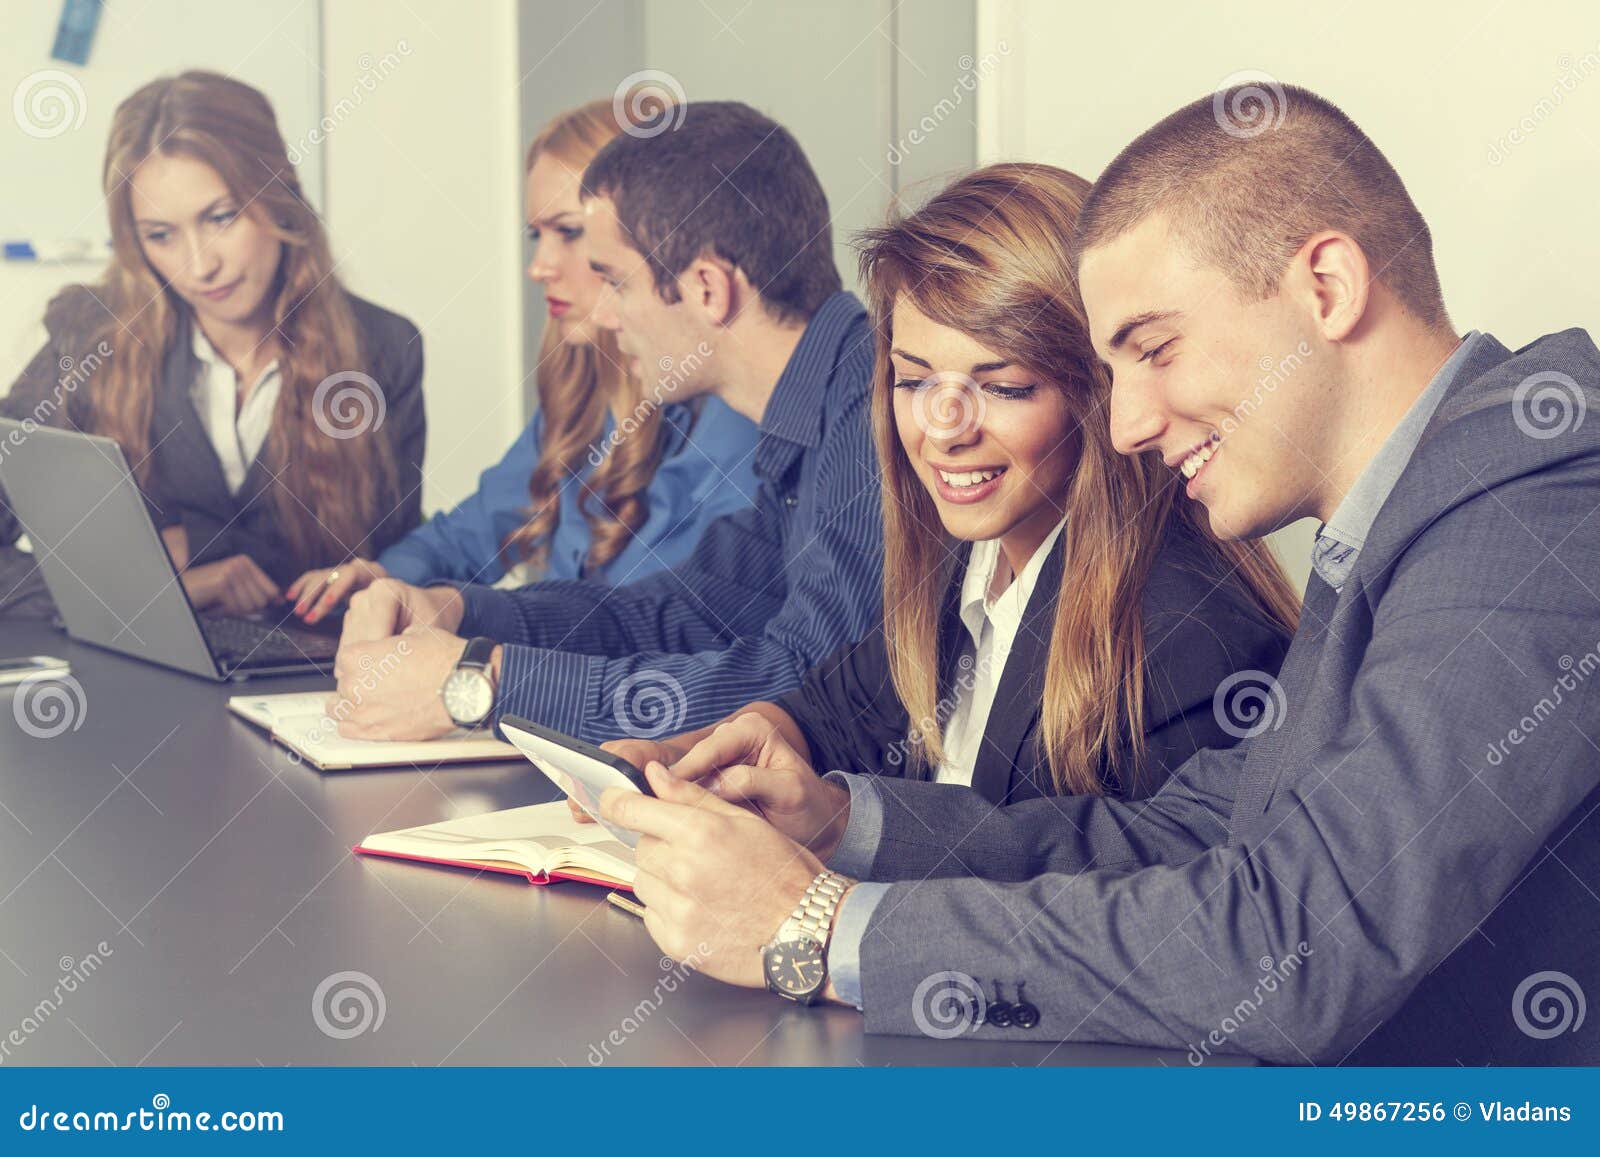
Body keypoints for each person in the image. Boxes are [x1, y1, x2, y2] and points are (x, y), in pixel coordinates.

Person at [601, 84, 1600, 1066]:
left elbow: (1294, 945)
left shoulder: (1535, 504)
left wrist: (822, 930)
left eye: (1153, 349)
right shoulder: (1403, 519)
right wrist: (844, 825)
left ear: (1327, 288)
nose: (1121, 425)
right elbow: (1190, 835)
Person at [583, 164, 1297, 820]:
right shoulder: (975, 558)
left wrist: (834, 838)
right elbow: (837, 711)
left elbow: (1101, 912)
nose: (942, 428)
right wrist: (698, 754)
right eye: (915, 379)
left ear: (1102, 390)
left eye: (1005, 386)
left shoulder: (1193, 642)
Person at [326, 101, 882, 744]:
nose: (608, 318)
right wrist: (460, 609)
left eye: (616, 282)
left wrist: (480, 683)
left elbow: (806, 685)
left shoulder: (871, 408)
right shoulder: (808, 421)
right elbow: (677, 616)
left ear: (707, 289)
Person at [285, 97, 759, 624]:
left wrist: (470, 621)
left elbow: (672, 627)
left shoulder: (733, 412)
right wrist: (383, 576)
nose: (540, 267)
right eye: (538, 235)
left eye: (569, 232)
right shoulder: (584, 386)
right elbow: (481, 524)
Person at [1, 71, 424, 616]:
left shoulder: (384, 347)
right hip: (134, 678)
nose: (201, 266)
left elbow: (390, 575)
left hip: (310, 681)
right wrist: (152, 590)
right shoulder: (90, 334)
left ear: (280, 193)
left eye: (221, 218)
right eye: (161, 235)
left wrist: (197, 542)